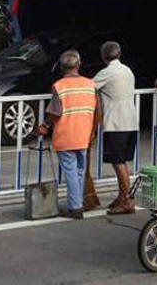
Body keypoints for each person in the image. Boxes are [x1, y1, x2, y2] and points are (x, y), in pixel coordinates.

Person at [36, 50, 99, 220]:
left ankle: (75, 207)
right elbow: (97, 110)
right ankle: (76, 203)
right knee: (79, 170)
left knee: (71, 171)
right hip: (84, 134)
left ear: (62, 67)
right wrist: (93, 131)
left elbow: (55, 112)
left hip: (66, 135)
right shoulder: (90, 84)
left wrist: (45, 125)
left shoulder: (59, 86)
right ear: (78, 65)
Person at [92, 41, 138, 215]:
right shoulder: (127, 70)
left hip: (115, 123)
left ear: (104, 56)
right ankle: (122, 196)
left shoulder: (107, 72)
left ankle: (127, 200)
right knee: (122, 162)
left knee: (118, 163)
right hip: (130, 121)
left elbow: (88, 86)